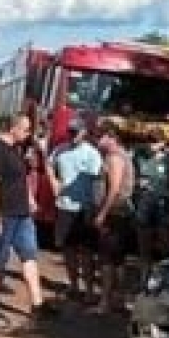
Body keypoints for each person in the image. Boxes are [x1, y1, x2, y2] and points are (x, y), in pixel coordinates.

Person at [0, 112, 57, 326]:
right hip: (5, 214)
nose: (28, 134)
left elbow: (22, 179)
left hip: (22, 214)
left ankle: (37, 304)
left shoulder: (15, 150)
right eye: (25, 130)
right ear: (13, 129)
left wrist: (29, 200)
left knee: (29, 256)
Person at [46, 117, 103, 303]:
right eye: (70, 132)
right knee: (67, 248)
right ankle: (73, 286)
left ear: (84, 133)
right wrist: (54, 181)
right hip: (64, 206)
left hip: (84, 208)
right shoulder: (60, 150)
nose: (72, 136)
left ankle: (88, 290)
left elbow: (97, 183)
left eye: (75, 132)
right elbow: (48, 164)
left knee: (86, 251)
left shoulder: (92, 154)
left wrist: (96, 208)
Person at [92, 121, 137, 314]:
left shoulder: (115, 157)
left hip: (115, 213)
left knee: (108, 260)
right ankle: (118, 299)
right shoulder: (119, 155)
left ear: (110, 136)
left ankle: (106, 302)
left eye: (100, 136)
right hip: (119, 213)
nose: (97, 140)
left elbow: (114, 188)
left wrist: (102, 213)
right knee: (117, 259)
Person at [133, 131, 169, 281]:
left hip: (162, 205)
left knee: (165, 244)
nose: (152, 145)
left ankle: (165, 279)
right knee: (143, 245)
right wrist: (137, 184)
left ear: (162, 143)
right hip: (143, 204)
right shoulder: (139, 157)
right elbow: (132, 176)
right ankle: (143, 280)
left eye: (155, 141)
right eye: (150, 141)